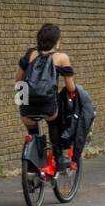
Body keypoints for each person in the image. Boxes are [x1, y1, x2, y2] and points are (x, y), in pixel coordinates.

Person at [16, 23, 76, 177]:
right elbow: (71, 89)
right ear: (56, 41)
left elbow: (19, 82)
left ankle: (34, 162)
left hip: (27, 108)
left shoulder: (29, 55)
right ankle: (60, 158)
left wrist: (22, 102)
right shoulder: (61, 58)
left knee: (33, 129)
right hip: (49, 108)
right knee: (57, 118)